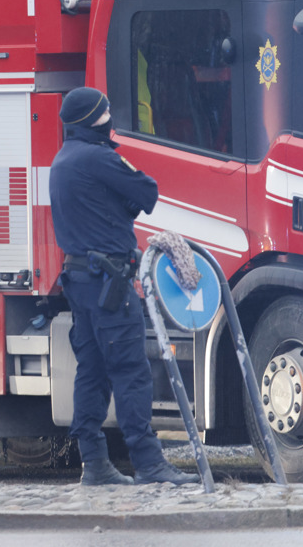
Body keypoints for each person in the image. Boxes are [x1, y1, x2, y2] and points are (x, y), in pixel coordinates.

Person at [49, 87, 200, 487]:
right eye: (106, 111)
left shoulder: (64, 159)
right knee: (131, 371)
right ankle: (150, 463)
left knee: (92, 372)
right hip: (108, 283)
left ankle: (94, 463)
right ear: (95, 118)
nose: (111, 116)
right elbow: (146, 192)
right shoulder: (99, 157)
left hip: (80, 281)